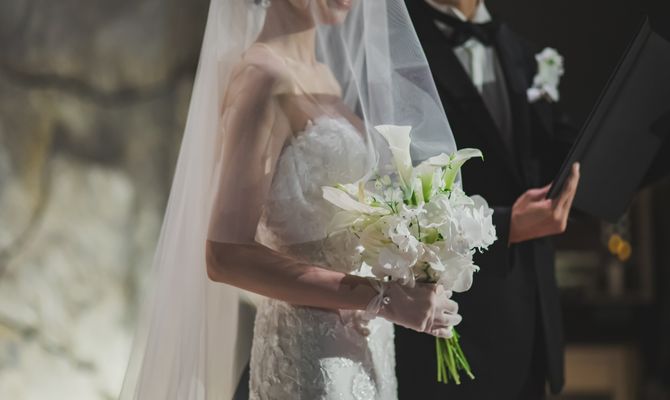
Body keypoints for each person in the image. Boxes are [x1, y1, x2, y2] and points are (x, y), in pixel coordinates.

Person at [119, 1, 464, 399]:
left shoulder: (323, 77)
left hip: (368, 343)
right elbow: (224, 255)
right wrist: (382, 299)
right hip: (310, 358)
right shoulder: (263, 78)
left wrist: (412, 266)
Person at [397, 0, 580, 399]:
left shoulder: (525, 53)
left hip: (531, 332)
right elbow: (393, 195)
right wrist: (503, 224)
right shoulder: (394, 44)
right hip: (446, 332)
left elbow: (559, 161)